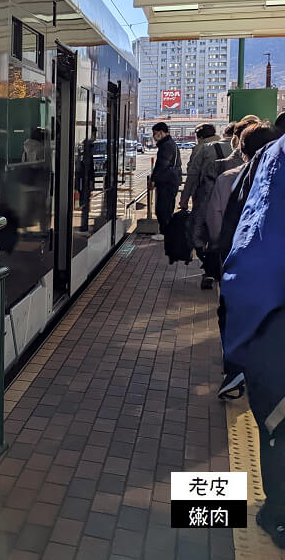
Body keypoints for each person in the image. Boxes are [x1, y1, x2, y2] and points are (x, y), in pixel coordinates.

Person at [220, 133, 285, 549]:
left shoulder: (273, 158)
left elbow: (247, 241)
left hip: (270, 320)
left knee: (276, 424)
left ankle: (276, 512)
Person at [206, 123, 281, 400]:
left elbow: (216, 220)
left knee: (232, 313)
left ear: (241, 148)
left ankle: (235, 371)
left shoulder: (231, 178)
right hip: (272, 270)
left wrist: (218, 249)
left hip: (240, 263)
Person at [180, 124, 227, 288]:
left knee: (196, 233)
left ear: (199, 136)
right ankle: (217, 269)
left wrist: (184, 199)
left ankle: (209, 269)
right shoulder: (231, 146)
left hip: (205, 199)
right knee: (220, 234)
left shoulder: (202, 149)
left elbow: (192, 175)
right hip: (229, 199)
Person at [150, 122, 182, 241]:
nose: (154, 136)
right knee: (167, 207)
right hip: (171, 180)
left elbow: (161, 164)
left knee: (163, 208)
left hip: (167, 181)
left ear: (161, 132)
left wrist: (153, 180)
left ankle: (165, 233)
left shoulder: (166, 145)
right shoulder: (170, 144)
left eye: (155, 133)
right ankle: (166, 231)